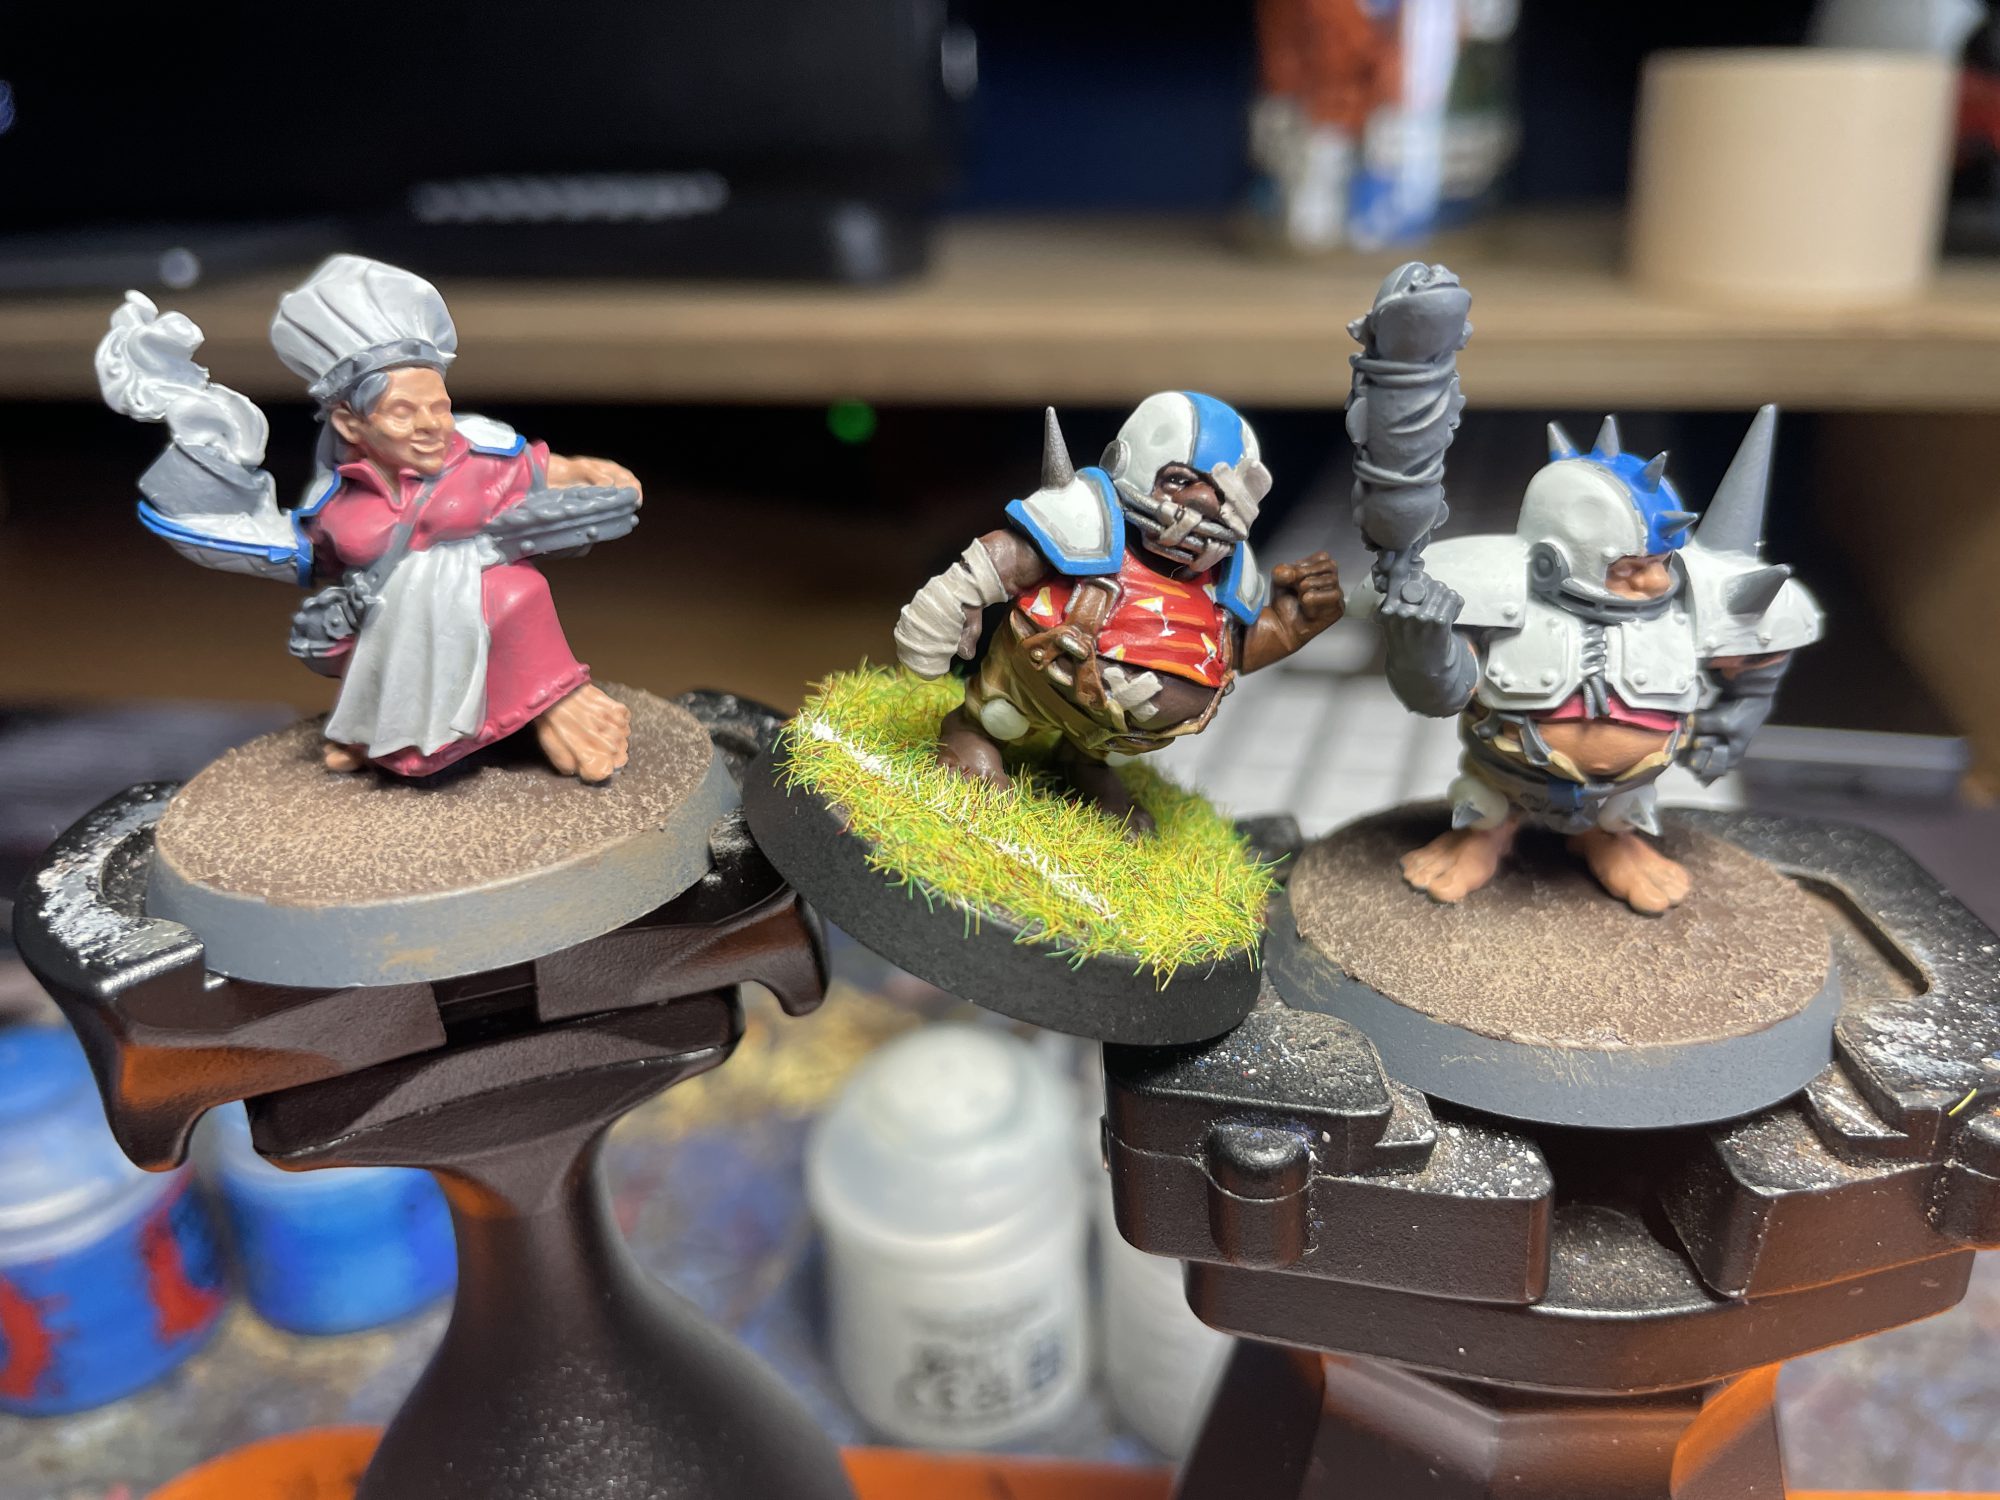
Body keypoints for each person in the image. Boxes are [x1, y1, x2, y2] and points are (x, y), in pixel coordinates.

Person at [98, 256, 642, 781]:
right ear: (351, 424)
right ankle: (378, 737)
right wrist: (207, 488)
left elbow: (540, 469)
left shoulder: (481, 455)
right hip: (388, 642)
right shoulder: (335, 503)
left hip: (488, 624)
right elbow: (299, 554)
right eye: (403, 411)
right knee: (375, 645)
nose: (431, 425)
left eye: (439, 406)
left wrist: (585, 471)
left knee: (512, 591)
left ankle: (555, 704)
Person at [894, 392, 1344, 835]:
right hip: (1044, 679)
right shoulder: (1087, 526)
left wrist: (1288, 626)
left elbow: (1233, 651)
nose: (1205, 504)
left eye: (1223, 495)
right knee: (1000, 715)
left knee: (1100, 750)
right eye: (1180, 480)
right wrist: (950, 601)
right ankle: (972, 734)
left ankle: (1083, 761)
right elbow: (1004, 559)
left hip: (1119, 732)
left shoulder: (1226, 573)